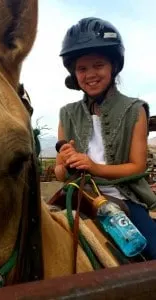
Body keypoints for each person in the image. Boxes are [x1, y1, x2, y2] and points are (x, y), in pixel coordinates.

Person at [54, 17, 156, 260]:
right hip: (77, 195)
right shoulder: (67, 113)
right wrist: (65, 165)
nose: (90, 74)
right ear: (74, 72)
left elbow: (137, 166)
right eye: (82, 68)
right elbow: (59, 172)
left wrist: (94, 166)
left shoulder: (135, 109)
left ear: (113, 66)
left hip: (124, 197)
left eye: (98, 65)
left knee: (153, 252)